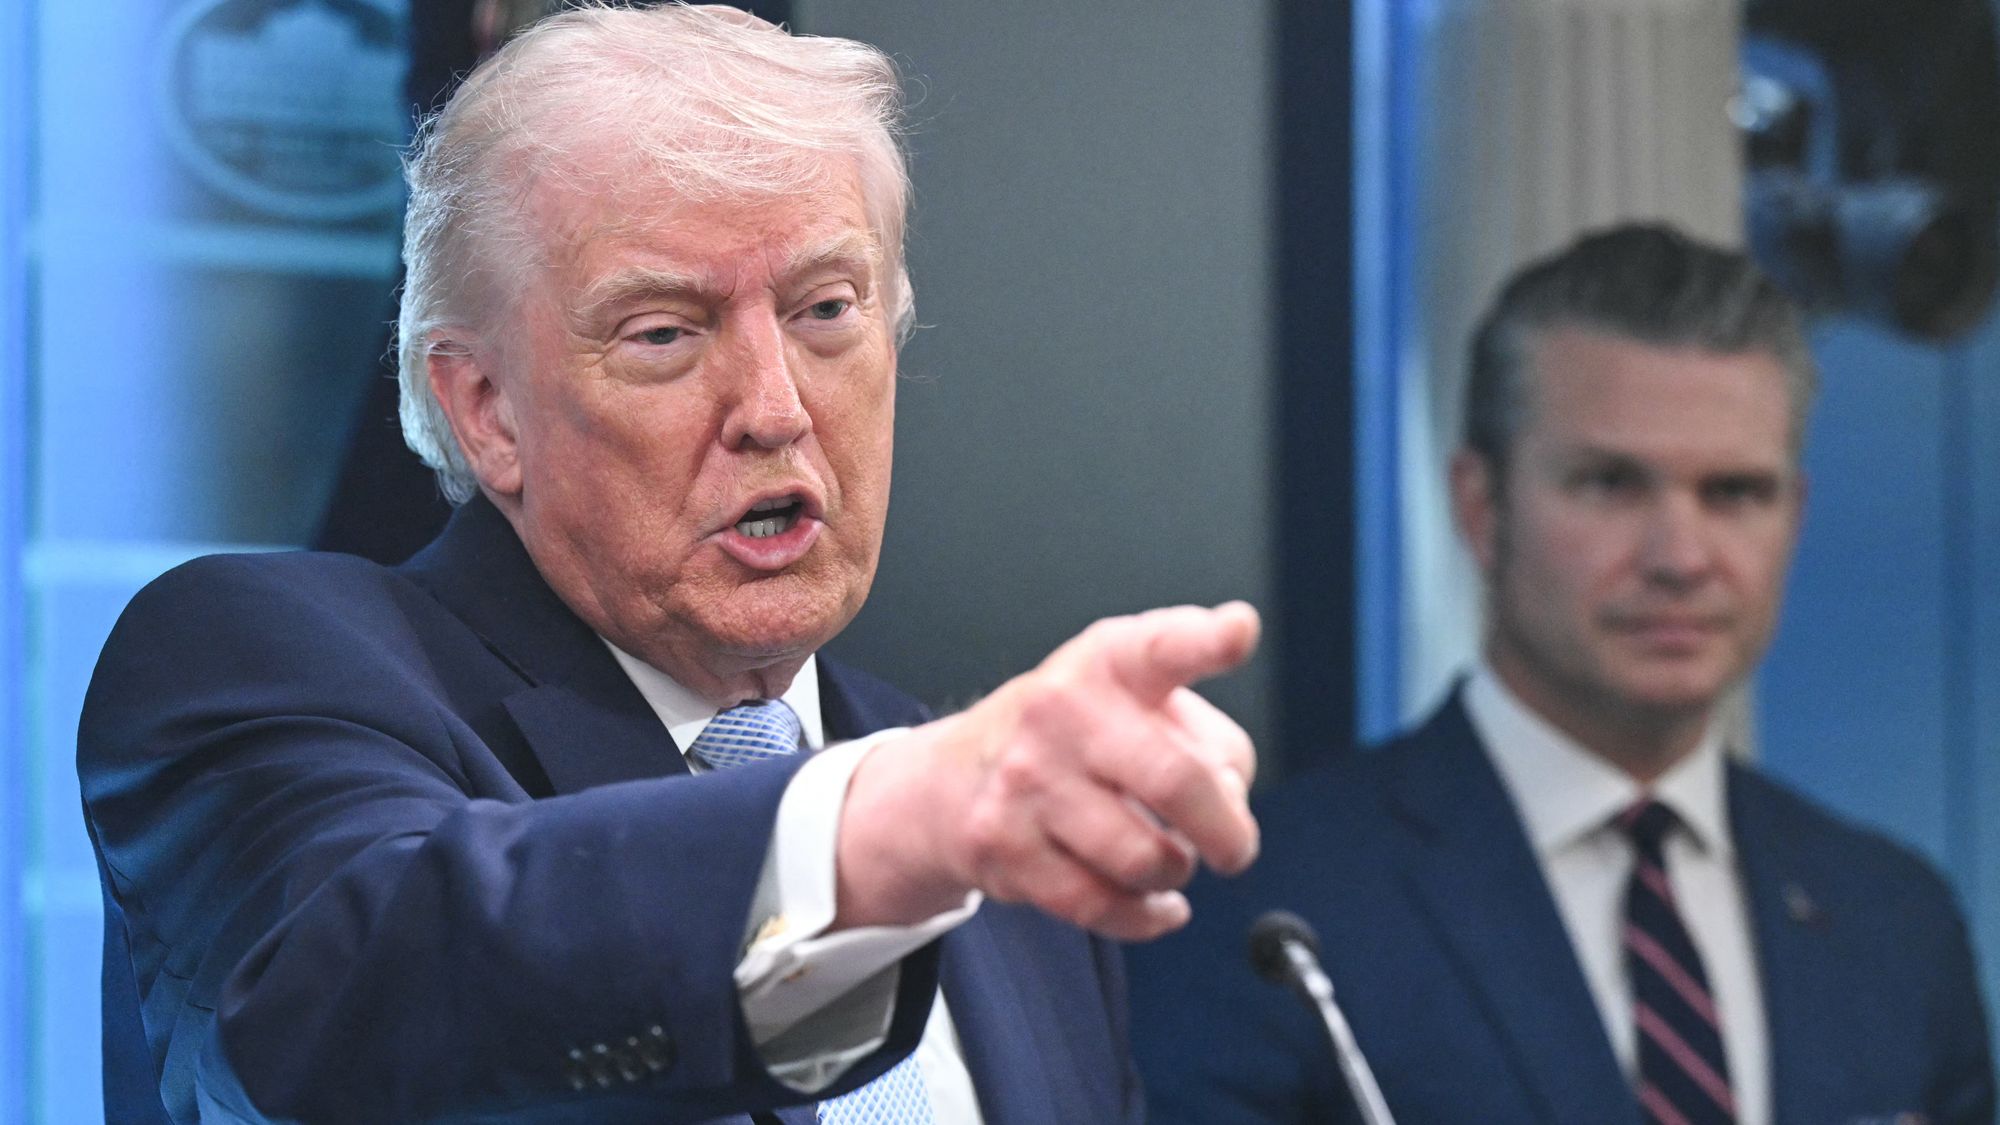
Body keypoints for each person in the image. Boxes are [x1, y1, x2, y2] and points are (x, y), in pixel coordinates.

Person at [78, 7, 1260, 1123]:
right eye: (663, 332)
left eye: (826, 309)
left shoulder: (997, 850)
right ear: (485, 407)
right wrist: (878, 834)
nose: (774, 407)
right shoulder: (261, 662)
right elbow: (343, 1004)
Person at [1126, 223, 1995, 1125]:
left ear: (1795, 515)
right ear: (1480, 505)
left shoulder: (1895, 921)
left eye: (1735, 492)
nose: (1681, 556)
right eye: (1611, 484)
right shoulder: (1263, 898)